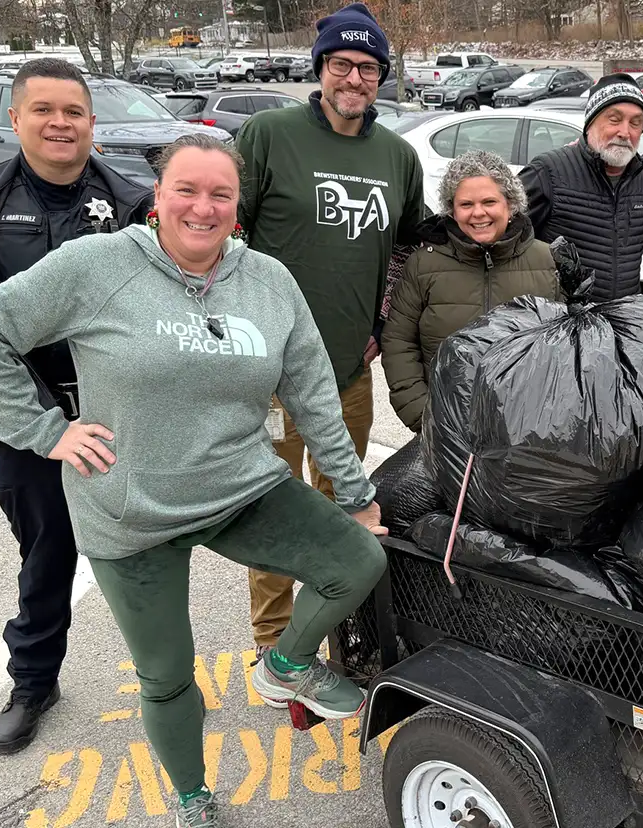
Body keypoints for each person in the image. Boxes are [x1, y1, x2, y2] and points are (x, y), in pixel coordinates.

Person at [0, 134, 389, 825]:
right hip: (131, 511)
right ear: (158, 197)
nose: (202, 207)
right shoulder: (97, 265)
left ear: (237, 206)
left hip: (240, 486)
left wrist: (356, 495)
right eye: (187, 189)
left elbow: (311, 396)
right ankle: (193, 799)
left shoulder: (268, 281)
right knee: (169, 677)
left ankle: (285, 667)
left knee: (358, 559)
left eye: (220, 193)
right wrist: (44, 432)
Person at [0, 58, 152, 755]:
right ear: (16, 119)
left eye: (74, 111)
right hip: (32, 429)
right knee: (46, 559)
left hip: (127, 417)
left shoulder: (132, 202)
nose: (60, 123)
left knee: (152, 552)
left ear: (92, 121)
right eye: (44, 111)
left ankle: (167, 678)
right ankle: (34, 681)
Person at [235, 2, 425, 662]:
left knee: (340, 509)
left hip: (347, 371)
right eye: (341, 64)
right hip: (269, 377)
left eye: (368, 67)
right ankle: (271, 641)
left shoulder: (398, 156)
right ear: (320, 68)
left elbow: (406, 248)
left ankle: (326, 630)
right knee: (273, 510)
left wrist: (380, 317)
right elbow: (225, 233)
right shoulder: (267, 135)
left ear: (381, 77)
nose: (354, 77)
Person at [383, 150, 562, 431]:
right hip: (443, 426)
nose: (478, 213)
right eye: (466, 204)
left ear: (511, 204)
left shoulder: (547, 261)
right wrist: (423, 415)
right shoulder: (424, 263)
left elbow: (566, 349)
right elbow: (399, 342)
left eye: (489, 201)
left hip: (527, 431)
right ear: (451, 210)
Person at [519, 73, 643, 302]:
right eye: (614, 119)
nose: (625, 132)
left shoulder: (640, 180)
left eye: (636, 123)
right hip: (562, 324)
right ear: (590, 123)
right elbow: (505, 242)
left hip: (624, 322)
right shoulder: (548, 172)